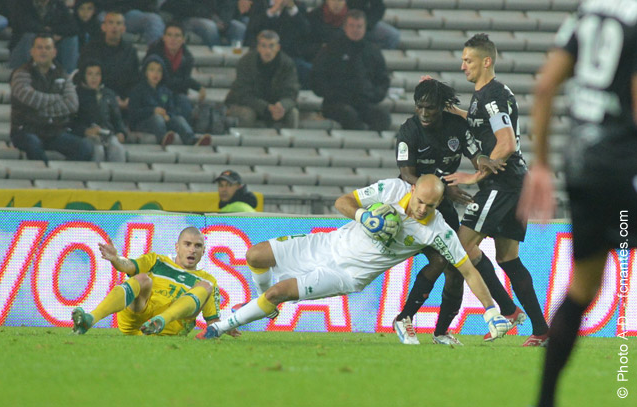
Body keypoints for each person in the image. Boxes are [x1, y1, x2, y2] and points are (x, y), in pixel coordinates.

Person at [197, 175, 513, 340]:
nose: (422, 209)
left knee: (278, 292)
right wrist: (363, 216)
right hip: (327, 244)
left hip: (347, 274)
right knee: (255, 255)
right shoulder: (391, 189)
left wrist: (490, 310)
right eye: (420, 201)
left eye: (430, 206)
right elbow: (343, 201)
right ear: (413, 189)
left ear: (439, 204)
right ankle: (262, 305)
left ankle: (219, 328)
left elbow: (469, 270)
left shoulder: (437, 231)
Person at [516, 2, 637, 406]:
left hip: (581, 163)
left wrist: (541, 165)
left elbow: (545, 86)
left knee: (582, 288)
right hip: (626, 162)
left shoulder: (588, 12)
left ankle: (545, 400)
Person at [444, 33, 549, 346]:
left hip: (503, 184)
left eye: (468, 60)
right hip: (513, 184)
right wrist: (455, 112)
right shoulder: (487, 95)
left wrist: (473, 177)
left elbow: (507, 143)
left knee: (461, 245)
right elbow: (484, 122)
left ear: (486, 61)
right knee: (508, 258)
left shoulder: (492, 95)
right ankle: (541, 330)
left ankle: (506, 310)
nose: (463, 66)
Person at [393, 78, 504, 345]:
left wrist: (484, 161)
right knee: (440, 260)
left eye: (430, 107)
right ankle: (404, 318)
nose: (424, 113)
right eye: (419, 107)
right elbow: (407, 175)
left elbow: (475, 155)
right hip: (414, 205)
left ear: (442, 106)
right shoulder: (408, 131)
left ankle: (441, 332)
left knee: (455, 268)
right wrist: (442, 187)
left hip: (442, 207)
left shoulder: (457, 127)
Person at [72, 227, 238, 337]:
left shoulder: (207, 280)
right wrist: (116, 259)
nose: (192, 250)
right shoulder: (157, 260)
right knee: (143, 278)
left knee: (205, 286)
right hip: (137, 317)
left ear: (203, 251)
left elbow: (212, 322)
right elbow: (128, 266)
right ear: (177, 247)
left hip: (169, 328)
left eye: (198, 246)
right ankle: (90, 319)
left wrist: (226, 327)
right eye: (187, 244)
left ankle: (161, 320)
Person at [10, 34, 93, 162]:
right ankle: (44, 172)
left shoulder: (62, 74)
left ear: (54, 52)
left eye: (47, 48)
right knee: (34, 146)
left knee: (85, 148)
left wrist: (39, 109)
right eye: (39, 47)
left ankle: (64, 174)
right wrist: (58, 98)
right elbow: (28, 98)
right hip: (26, 130)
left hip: (54, 131)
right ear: (32, 51)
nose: (43, 51)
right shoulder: (21, 73)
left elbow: (72, 104)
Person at [310, 9, 391, 131]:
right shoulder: (331, 49)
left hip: (364, 102)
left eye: (359, 26)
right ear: (345, 27)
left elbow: (383, 80)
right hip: (336, 103)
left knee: (383, 117)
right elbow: (317, 77)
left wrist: (373, 95)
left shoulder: (373, 51)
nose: (355, 30)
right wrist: (333, 94)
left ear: (365, 28)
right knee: (349, 115)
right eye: (351, 26)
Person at [225, 29, 299, 129]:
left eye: (271, 46)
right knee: (247, 114)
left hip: (274, 106)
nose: (267, 51)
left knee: (293, 114)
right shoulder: (246, 62)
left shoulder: (287, 64)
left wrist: (282, 106)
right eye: (264, 46)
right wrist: (265, 107)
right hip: (247, 104)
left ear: (278, 47)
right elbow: (243, 94)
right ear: (258, 47)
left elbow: (292, 93)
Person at [129, 54, 201, 146]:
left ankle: (191, 139)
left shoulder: (166, 91)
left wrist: (168, 116)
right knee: (157, 119)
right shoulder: (138, 90)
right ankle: (163, 138)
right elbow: (133, 113)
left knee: (179, 119)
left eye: (159, 71)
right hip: (143, 123)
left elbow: (172, 110)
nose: (156, 74)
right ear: (145, 72)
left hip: (163, 121)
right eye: (152, 70)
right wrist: (152, 111)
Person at [143, 22, 206, 122]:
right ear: (163, 37)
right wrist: (195, 86)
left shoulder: (187, 57)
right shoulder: (154, 53)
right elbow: (156, 81)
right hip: (155, 92)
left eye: (177, 36)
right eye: (169, 35)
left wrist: (196, 86)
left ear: (183, 39)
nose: (173, 39)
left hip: (176, 94)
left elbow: (185, 82)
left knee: (184, 102)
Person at [78, 11, 140, 110]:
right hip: (96, 99)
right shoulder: (90, 49)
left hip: (124, 100)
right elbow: (84, 77)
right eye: (111, 23)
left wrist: (128, 99)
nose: (114, 27)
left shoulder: (130, 51)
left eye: (118, 23)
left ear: (123, 29)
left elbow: (135, 80)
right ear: (103, 27)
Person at [243, 0, 311, 88]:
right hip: (263, 55)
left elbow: (306, 31)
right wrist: (272, 11)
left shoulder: (298, 6)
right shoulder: (260, 4)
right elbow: (252, 29)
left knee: (308, 70)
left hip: (290, 55)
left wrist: (292, 9)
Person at [72, 59, 127, 162]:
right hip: (88, 136)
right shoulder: (76, 95)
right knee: (98, 151)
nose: (94, 78)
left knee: (117, 149)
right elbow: (72, 122)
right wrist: (85, 131)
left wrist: (121, 132)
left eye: (97, 74)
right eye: (90, 74)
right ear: (84, 75)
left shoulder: (109, 94)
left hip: (108, 135)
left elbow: (117, 120)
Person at [8, 0, 79, 72]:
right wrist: (49, 33)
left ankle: (68, 74)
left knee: (71, 39)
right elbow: (25, 25)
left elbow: (73, 27)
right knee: (31, 37)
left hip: (51, 43)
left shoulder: (58, 4)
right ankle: (31, 73)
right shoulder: (22, 3)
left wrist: (52, 32)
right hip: (22, 47)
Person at [160, 0, 246, 47]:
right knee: (210, 27)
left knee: (239, 28)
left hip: (218, 19)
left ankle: (236, 58)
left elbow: (229, 6)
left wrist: (224, 22)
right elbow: (180, 5)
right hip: (190, 17)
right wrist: (210, 17)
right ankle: (215, 56)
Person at [99, 0, 164, 45]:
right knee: (101, 19)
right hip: (107, 10)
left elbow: (151, 6)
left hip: (131, 14)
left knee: (154, 20)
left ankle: (155, 55)